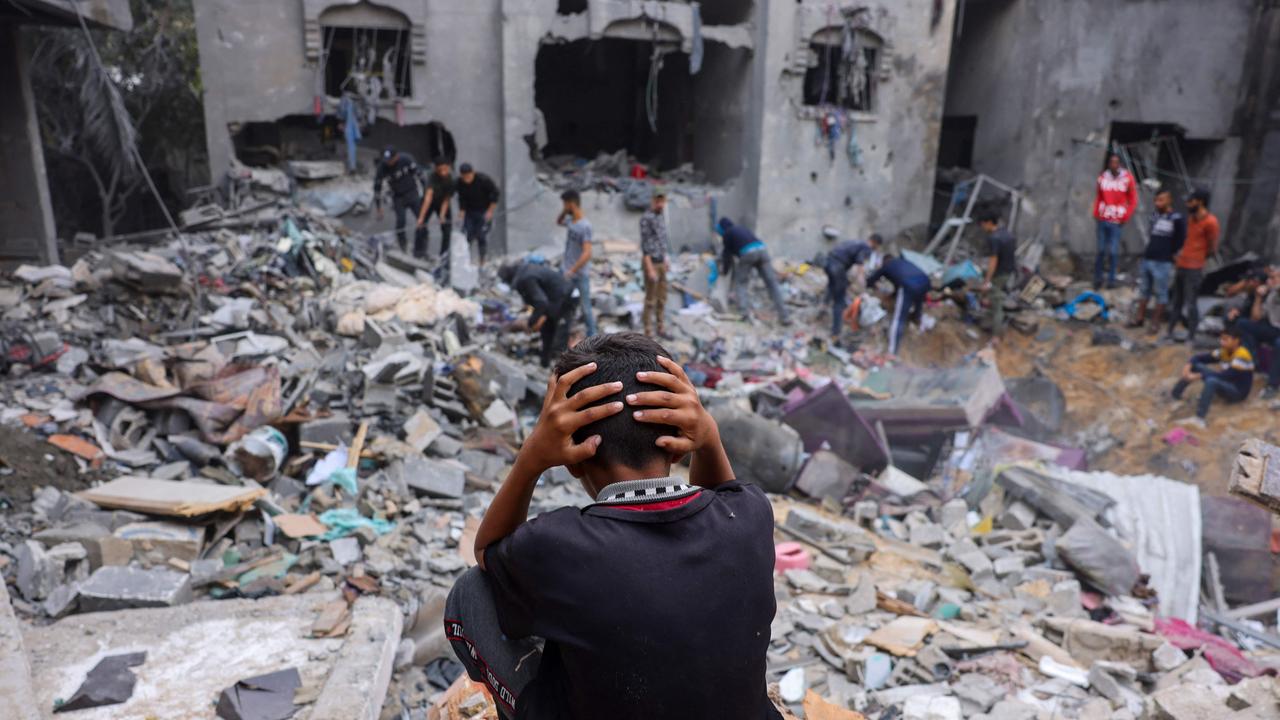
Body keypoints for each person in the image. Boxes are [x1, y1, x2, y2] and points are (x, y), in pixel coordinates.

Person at [443, 333, 781, 720]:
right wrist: (709, 439)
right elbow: (720, 497)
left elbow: (488, 550)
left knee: (472, 591)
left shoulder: (558, 544)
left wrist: (531, 457)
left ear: (570, 459)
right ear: (679, 444)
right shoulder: (752, 515)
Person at [1171, 325, 1254, 428]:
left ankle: (1199, 419)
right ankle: (1175, 395)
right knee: (1196, 366)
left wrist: (1199, 375)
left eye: (1226, 339)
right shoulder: (1224, 351)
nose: (1222, 342)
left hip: (1237, 391)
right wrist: (1188, 365)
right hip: (1226, 383)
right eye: (1222, 339)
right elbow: (1200, 357)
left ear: (1236, 341)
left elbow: (1225, 376)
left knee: (1211, 381)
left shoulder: (1242, 355)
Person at [1166, 188, 1220, 344]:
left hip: (1194, 268)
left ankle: (1191, 336)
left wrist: (1197, 258)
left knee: (1191, 303)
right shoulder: (1190, 219)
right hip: (1182, 265)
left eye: (1191, 201)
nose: (1188, 204)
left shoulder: (1211, 222)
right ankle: (1170, 332)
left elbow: (1212, 247)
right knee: (1177, 301)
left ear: (1200, 202)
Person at [498, 261, 576, 367]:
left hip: (566, 297)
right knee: (547, 330)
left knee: (560, 335)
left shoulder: (525, 278)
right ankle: (545, 363)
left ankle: (560, 368)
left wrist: (531, 322)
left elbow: (541, 302)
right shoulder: (525, 270)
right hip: (555, 300)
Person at [716, 217, 791, 325]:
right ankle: (784, 316)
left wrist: (724, 270)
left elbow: (727, 255)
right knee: (772, 284)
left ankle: (744, 313)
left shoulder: (727, 234)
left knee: (741, 283)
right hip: (762, 250)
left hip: (748, 253)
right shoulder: (741, 228)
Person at [1130, 189, 1186, 330]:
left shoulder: (1176, 218)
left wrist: (1172, 253)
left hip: (1163, 261)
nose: (1157, 203)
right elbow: (1152, 235)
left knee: (1161, 292)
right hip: (1148, 258)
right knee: (1144, 290)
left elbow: (1181, 239)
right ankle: (1139, 318)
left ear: (1169, 200)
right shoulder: (1154, 216)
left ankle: (1155, 322)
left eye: (1161, 200)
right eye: (1156, 200)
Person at [866, 253, 930, 356]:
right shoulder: (903, 262)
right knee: (918, 304)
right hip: (925, 281)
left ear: (885, 261)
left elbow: (871, 280)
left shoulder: (886, 266)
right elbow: (898, 283)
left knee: (899, 318)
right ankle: (917, 318)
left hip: (909, 285)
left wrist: (869, 284)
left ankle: (892, 352)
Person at [1092, 153, 1138, 289]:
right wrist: (1096, 213)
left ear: (1120, 164)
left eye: (1116, 162)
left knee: (1113, 252)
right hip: (1102, 219)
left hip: (1117, 221)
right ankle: (1097, 279)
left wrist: (1125, 216)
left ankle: (1111, 280)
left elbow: (1133, 200)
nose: (1114, 165)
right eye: (1111, 162)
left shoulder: (1127, 179)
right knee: (1100, 250)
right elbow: (1099, 197)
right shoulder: (1102, 178)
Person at [1233, 266, 1280, 399]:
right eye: (1270, 278)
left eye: (1273, 278)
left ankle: (1272, 385)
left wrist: (1273, 286)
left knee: (1279, 344)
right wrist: (1258, 298)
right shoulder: (1272, 294)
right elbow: (1256, 317)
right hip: (1274, 329)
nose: (1270, 281)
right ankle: (1253, 363)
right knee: (1243, 324)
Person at [822, 230, 880, 338]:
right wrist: (863, 288)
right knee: (839, 300)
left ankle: (823, 308)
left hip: (828, 262)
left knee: (832, 285)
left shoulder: (855, 241)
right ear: (875, 243)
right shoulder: (867, 248)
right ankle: (836, 332)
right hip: (838, 267)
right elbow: (859, 267)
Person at [373, 146, 427, 254]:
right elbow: (377, 188)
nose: (389, 163)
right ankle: (403, 245)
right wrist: (379, 208)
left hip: (411, 192)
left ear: (396, 157)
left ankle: (421, 248)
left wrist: (426, 195)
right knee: (401, 222)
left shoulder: (405, 159)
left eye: (391, 160)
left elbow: (420, 175)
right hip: (398, 197)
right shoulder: (382, 167)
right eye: (387, 161)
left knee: (421, 220)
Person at [558, 190, 597, 337]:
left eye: (565, 204)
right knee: (565, 304)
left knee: (585, 308)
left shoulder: (585, 226)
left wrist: (572, 270)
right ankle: (564, 334)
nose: (564, 207)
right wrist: (565, 210)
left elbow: (587, 253)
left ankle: (593, 337)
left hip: (579, 274)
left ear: (572, 204)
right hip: (566, 270)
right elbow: (558, 221)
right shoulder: (570, 221)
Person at [978, 211, 1017, 339]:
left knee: (996, 303)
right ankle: (988, 324)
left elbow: (993, 260)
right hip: (1008, 271)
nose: (982, 227)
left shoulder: (994, 238)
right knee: (995, 297)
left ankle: (996, 335)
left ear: (989, 223)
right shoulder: (1007, 234)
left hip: (999, 273)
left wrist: (987, 280)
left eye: (983, 224)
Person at [639, 189, 670, 337]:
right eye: (657, 201)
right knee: (650, 299)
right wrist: (649, 268)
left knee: (662, 297)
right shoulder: (646, 218)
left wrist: (666, 259)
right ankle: (648, 330)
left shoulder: (660, 217)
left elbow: (661, 240)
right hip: (651, 263)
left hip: (661, 261)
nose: (660, 204)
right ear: (652, 201)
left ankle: (660, 326)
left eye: (662, 201)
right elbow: (645, 246)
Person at [457, 162, 501, 267]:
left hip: (483, 211)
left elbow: (495, 193)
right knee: (467, 235)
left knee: (481, 235)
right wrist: (462, 211)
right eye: (464, 177)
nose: (467, 179)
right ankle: (465, 260)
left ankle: (482, 261)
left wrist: (490, 211)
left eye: (468, 176)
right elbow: (461, 197)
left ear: (473, 173)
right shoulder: (460, 183)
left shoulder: (483, 180)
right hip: (469, 212)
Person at [418, 159, 456, 268]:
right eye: (440, 170)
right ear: (436, 169)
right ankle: (419, 252)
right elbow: (428, 198)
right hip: (429, 202)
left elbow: (446, 199)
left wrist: (442, 215)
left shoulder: (451, 179)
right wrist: (421, 217)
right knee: (421, 226)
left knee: (447, 229)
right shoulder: (432, 176)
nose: (443, 172)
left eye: (445, 169)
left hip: (442, 202)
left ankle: (443, 256)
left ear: (448, 168)